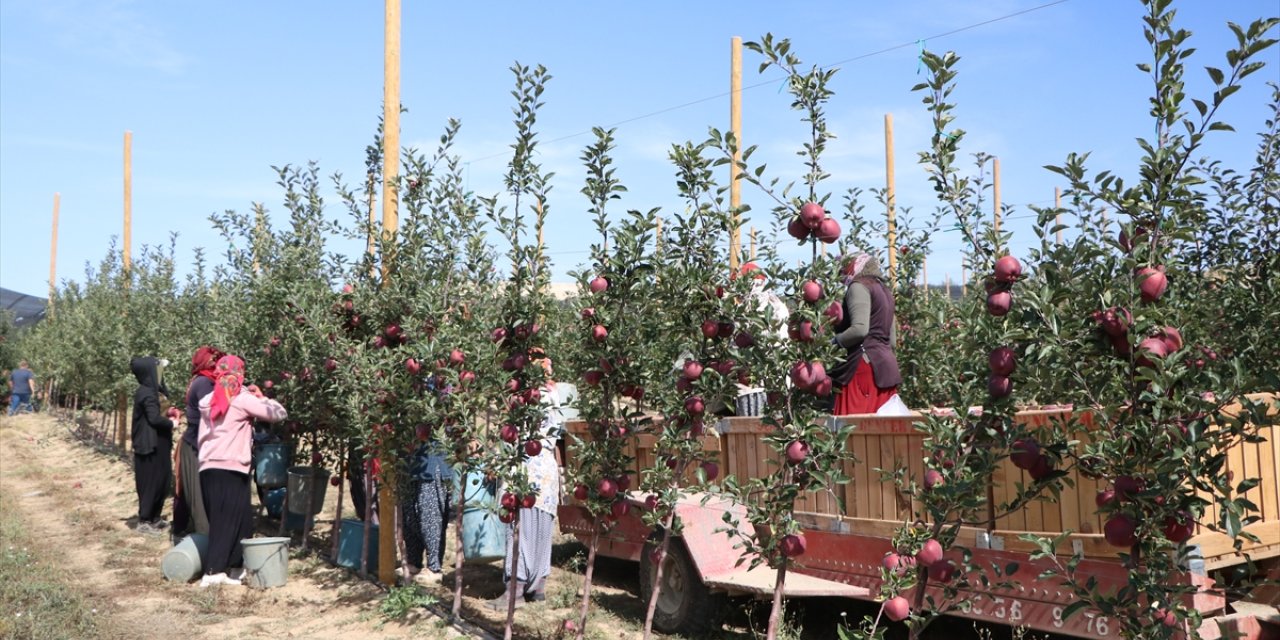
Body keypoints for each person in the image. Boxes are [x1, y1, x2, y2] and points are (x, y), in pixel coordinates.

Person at [198, 355, 288, 587]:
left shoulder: (208, 399)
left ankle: (235, 568)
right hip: (230, 466)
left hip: (208, 467)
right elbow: (278, 414)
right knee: (227, 520)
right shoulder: (240, 397)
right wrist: (262, 397)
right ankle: (213, 572)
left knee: (238, 519)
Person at [487, 354, 563, 609]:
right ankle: (538, 588)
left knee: (519, 529)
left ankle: (515, 589)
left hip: (527, 468)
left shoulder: (527, 396)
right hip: (547, 471)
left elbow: (511, 433)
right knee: (541, 530)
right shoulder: (553, 394)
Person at [830, 253, 902, 414]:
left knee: (854, 430)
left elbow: (860, 329)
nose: (841, 272)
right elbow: (892, 342)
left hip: (863, 367)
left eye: (844, 267)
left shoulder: (858, 287)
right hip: (886, 368)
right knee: (881, 432)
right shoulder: (884, 290)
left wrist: (834, 342)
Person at [171, 346, 223, 542]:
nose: (217, 365)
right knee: (198, 495)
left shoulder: (204, 380)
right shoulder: (204, 383)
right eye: (213, 361)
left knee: (191, 493)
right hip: (195, 446)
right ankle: (204, 540)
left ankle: (188, 533)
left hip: (196, 443)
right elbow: (213, 413)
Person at [131, 356, 180, 535]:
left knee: (162, 479)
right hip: (149, 444)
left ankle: (155, 517)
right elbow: (153, 418)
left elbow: (158, 411)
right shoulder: (146, 392)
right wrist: (172, 424)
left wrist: (170, 411)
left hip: (159, 442)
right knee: (150, 481)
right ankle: (145, 520)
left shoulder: (153, 391)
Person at [397, 429, 452, 586]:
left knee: (430, 514)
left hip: (432, 459)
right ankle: (413, 561)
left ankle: (434, 568)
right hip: (409, 457)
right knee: (409, 513)